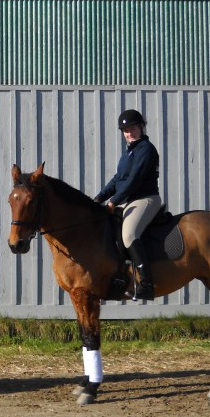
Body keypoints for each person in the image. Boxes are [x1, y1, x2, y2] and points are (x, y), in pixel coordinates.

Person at [93, 109, 161, 300]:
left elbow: (134, 180)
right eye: (125, 130)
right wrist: (98, 199)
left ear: (141, 127)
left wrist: (113, 201)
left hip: (145, 199)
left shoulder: (146, 149)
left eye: (132, 129)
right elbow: (118, 179)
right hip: (129, 201)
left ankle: (146, 284)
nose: (129, 133)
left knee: (129, 235)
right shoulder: (128, 153)